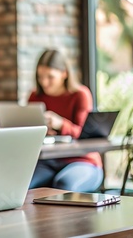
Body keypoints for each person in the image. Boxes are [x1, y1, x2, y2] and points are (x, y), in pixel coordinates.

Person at [28, 49, 103, 192]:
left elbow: (83, 133)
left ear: (64, 73)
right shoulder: (35, 96)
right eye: (40, 77)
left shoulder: (80, 95)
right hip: (47, 161)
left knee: (64, 185)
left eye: (50, 77)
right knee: (21, 186)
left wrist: (61, 124)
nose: (44, 82)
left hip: (82, 161)